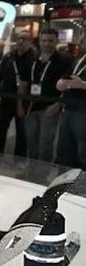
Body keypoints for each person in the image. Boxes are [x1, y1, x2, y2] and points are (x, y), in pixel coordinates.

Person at [20, 28, 73, 163]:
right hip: (30, 107)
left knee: (45, 144)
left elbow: (68, 86)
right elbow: (24, 83)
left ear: (56, 41)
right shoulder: (32, 59)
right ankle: (30, 169)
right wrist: (19, 105)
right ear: (39, 41)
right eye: (44, 40)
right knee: (31, 143)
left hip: (50, 108)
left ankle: (42, 172)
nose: (46, 44)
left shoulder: (64, 60)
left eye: (50, 41)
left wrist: (57, 105)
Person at [0, 32, 35, 158]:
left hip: (23, 100)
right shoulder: (8, 57)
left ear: (30, 41)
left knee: (22, 131)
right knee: (0, 128)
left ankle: (19, 160)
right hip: (6, 98)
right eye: (19, 38)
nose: (21, 41)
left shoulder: (34, 59)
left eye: (25, 39)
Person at [56, 29, 86, 169]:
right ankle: (64, 179)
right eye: (81, 37)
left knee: (82, 152)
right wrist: (61, 83)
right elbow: (64, 79)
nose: (81, 41)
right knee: (64, 149)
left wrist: (82, 85)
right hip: (68, 108)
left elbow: (79, 83)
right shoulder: (78, 59)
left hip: (83, 111)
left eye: (84, 38)